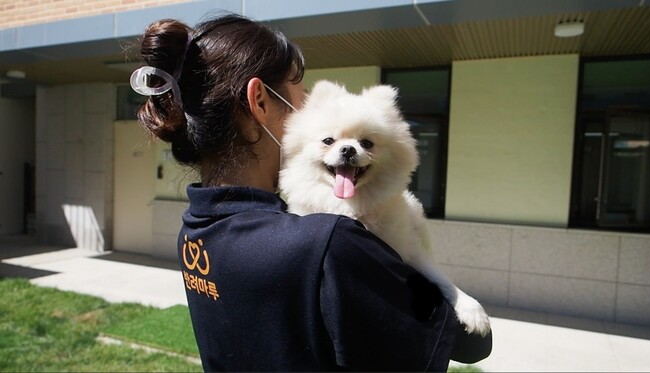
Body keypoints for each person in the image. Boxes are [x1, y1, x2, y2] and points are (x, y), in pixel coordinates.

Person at [131, 13, 491, 372]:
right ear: (259, 101)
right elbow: (470, 342)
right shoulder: (328, 242)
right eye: (300, 96)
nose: (307, 112)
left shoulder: (194, 229)